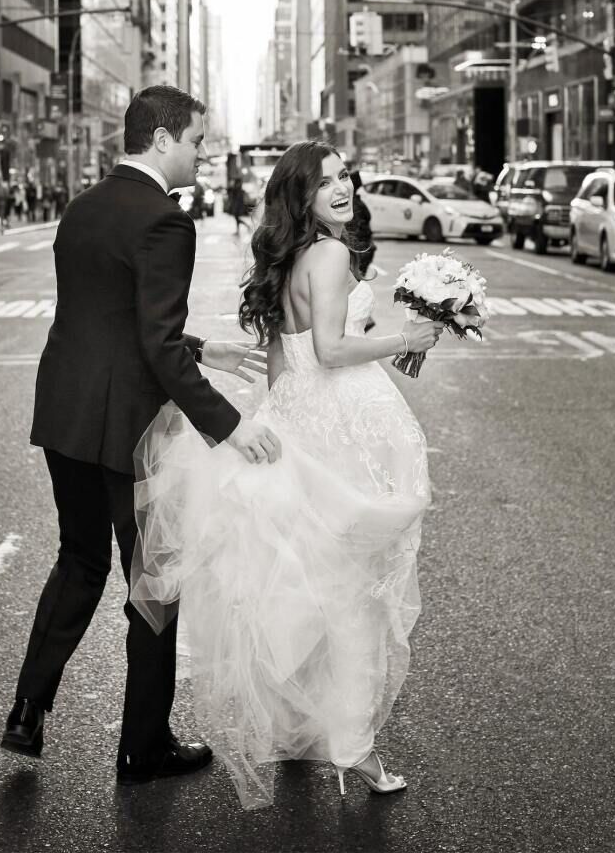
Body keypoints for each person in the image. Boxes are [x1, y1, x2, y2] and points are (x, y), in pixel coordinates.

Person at [129, 141, 442, 809]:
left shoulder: (291, 258)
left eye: (343, 176)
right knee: (353, 596)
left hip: (303, 420)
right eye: (323, 181)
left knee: (305, 584)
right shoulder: (329, 254)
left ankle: (304, 730)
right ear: (299, 196)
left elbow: (283, 362)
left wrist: (284, 428)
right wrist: (403, 341)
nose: (340, 187)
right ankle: (355, 750)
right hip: (339, 426)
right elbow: (329, 351)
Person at [0, 85, 280, 785]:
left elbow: (106, 319)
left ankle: (26, 712)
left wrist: (196, 346)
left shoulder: (83, 208)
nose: (202, 152)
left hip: (65, 413)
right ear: (161, 139)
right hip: (128, 426)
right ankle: (143, 745)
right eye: (194, 140)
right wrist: (228, 424)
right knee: (154, 582)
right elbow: (148, 347)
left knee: (79, 562)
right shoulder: (164, 221)